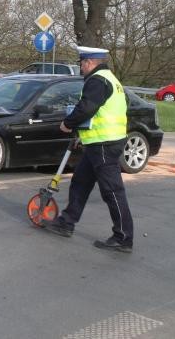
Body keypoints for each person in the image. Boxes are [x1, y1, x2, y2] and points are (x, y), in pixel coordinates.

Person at [44, 46, 133, 253]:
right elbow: (99, 112)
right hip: (99, 143)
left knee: (112, 191)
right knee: (80, 182)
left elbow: (87, 107)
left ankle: (123, 237)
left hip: (105, 144)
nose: (80, 67)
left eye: (81, 63)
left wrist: (68, 123)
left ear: (90, 62)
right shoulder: (110, 78)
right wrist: (81, 136)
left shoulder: (98, 80)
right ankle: (66, 223)